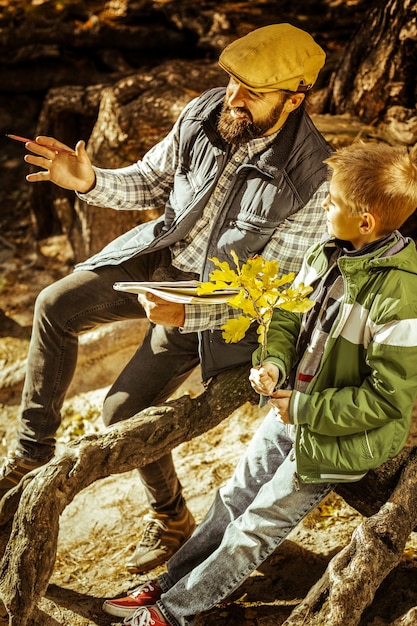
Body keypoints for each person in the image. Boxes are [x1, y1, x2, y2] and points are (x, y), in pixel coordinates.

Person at [0, 23, 332, 573]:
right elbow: (152, 181)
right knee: (53, 305)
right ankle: (31, 455)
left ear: (294, 99)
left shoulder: (314, 178)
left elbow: (280, 295)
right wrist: (88, 181)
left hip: (213, 300)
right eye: (231, 82)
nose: (234, 97)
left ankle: (171, 520)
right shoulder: (207, 112)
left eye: (253, 91)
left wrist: (190, 312)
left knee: (121, 412)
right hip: (158, 258)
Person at [101, 141, 417, 626]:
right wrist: (272, 363)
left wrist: (306, 407)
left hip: (344, 435)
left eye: (330, 202)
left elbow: (387, 400)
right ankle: (172, 584)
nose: (324, 207)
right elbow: (288, 318)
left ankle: (174, 612)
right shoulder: (326, 252)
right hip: (293, 406)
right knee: (233, 498)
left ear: (366, 223)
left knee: (258, 523)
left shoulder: (399, 293)